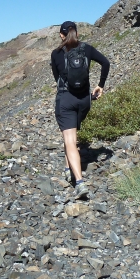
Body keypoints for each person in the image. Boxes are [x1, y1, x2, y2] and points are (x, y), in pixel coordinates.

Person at [50, 21, 110, 200]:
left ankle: (79, 182)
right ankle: (68, 168)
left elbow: (57, 78)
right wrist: (100, 86)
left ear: (62, 35)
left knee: (70, 140)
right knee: (71, 137)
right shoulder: (87, 49)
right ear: (76, 33)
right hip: (84, 100)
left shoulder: (56, 54)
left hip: (66, 99)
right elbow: (105, 63)